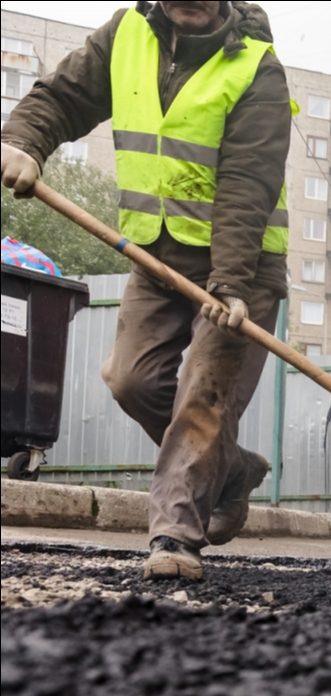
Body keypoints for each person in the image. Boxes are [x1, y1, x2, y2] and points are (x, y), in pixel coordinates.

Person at [2, 1, 291, 581]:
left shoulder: (256, 68)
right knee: (129, 379)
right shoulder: (125, 35)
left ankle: (176, 538)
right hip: (153, 251)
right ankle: (230, 470)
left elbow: (247, 184)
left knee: (200, 402)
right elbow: (63, 96)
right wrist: (24, 141)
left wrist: (230, 283)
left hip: (242, 263)